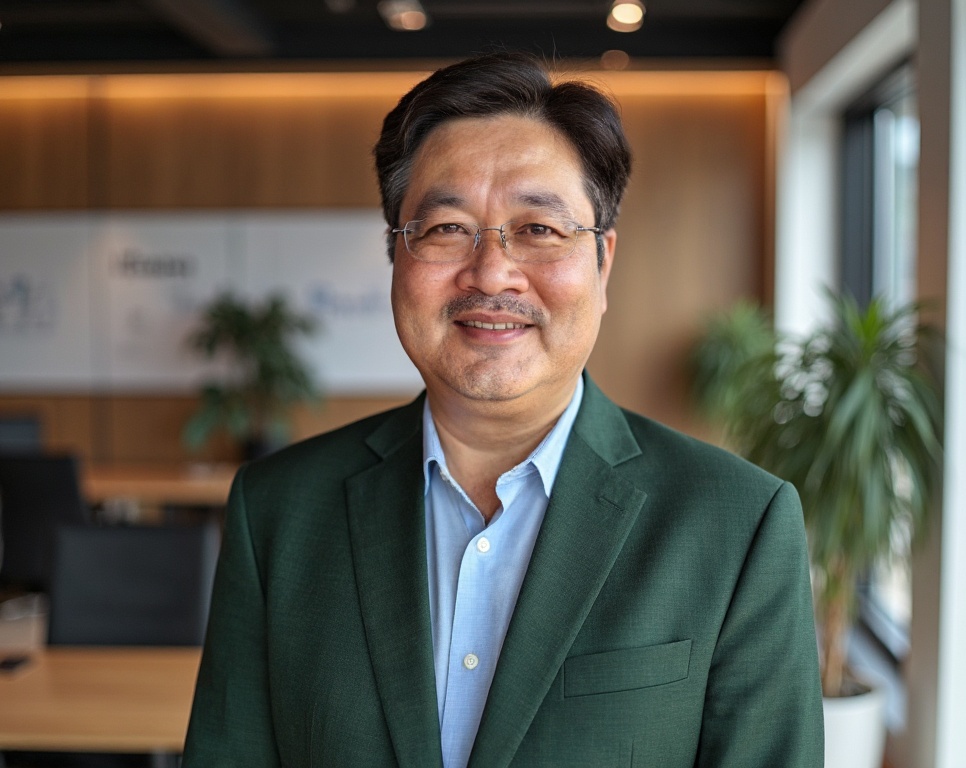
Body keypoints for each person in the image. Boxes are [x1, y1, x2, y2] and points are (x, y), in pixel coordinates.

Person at [182, 52, 824, 767]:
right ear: (396, 256)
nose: (491, 273)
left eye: (539, 229)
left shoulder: (738, 524)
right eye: (445, 228)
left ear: (603, 263)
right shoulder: (278, 512)